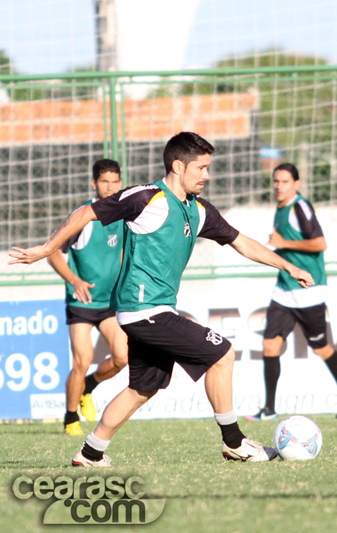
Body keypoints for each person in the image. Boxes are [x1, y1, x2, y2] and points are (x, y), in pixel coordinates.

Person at [10, 132, 314, 466]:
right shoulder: (147, 198)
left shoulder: (198, 211)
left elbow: (241, 242)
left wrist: (286, 264)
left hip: (154, 310)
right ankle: (234, 442)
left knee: (142, 389)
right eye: (201, 168)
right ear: (178, 165)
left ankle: (91, 452)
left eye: (208, 168)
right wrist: (47, 249)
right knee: (223, 353)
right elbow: (87, 214)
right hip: (142, 310)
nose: (207, 175)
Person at [247, 163, 337, 421]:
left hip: (308, 291)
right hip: (283, 290)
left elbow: (320, 243)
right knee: (270, 345)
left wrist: (284, 243)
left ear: (296, 184)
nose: (278, 186)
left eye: (284, 182)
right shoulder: (280, 208)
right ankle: (270, 409)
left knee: (321, 347)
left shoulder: (300, 206)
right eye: (275, 181)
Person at [47, 159, 129, 436]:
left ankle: (90, 387)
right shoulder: (84, 216)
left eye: (115, 181)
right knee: (82, 360)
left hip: (109, 304)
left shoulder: (124, 216)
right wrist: (74, 280)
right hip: (81, 303)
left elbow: (121, 252)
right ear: (94, 184)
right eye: (104, 181)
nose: (110, 186)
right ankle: (71, 418)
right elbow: (53, 251)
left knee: (123, 357)